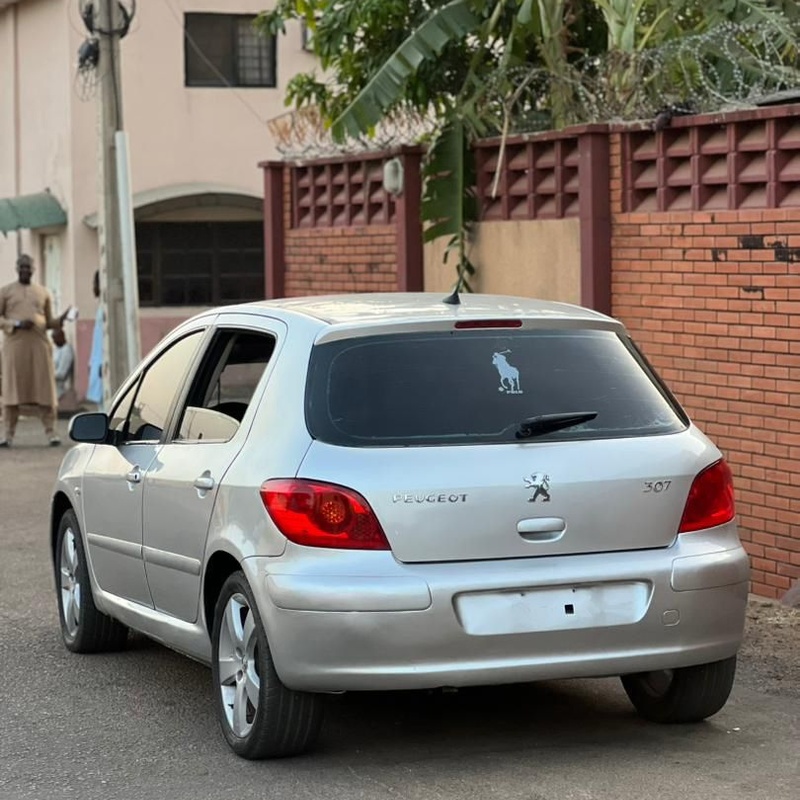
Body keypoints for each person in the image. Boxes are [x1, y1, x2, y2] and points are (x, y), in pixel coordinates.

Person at [0, 254, 67, 447]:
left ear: (34, 269)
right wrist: (17, 323)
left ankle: (52, 433)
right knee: (12, 392)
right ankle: (8, 435)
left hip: (39, 346)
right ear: (16, 268)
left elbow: (48, 321)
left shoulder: (43, 292)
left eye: (28, 267)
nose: (25, 270)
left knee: (45, 389)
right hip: (15, 347)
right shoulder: (5, 292)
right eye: (22, 267)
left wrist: (61, 319)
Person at [86, 270, 104, 407]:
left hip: (102, 366)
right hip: (97, 364)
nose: (93, 287)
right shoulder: (100, 308)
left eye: (95, 283)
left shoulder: (105, 310)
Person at [51, 328, 75, 400]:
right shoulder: (57, 349)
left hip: (60, 388)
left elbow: (62, 374)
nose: (54, 341)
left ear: (61, 337)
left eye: (55, 339)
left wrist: (48, 375)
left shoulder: (66, 350)